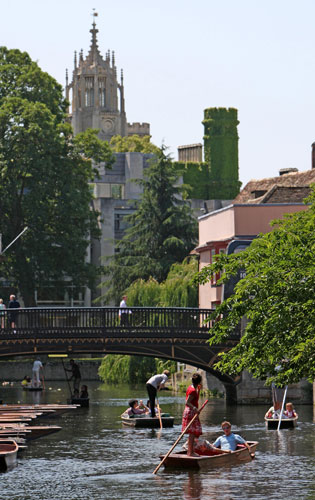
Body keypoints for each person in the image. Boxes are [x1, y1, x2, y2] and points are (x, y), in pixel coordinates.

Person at [182, 372, 203, 457]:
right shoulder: (193, 390)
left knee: (193, 433)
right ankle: (191, 452)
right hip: (191, 412)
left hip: (189, 411)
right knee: (192, 433)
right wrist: (195, 409)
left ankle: (190, 451)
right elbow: (187, 402)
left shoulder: (192, 387)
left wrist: (199, 389)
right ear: (199, 381)